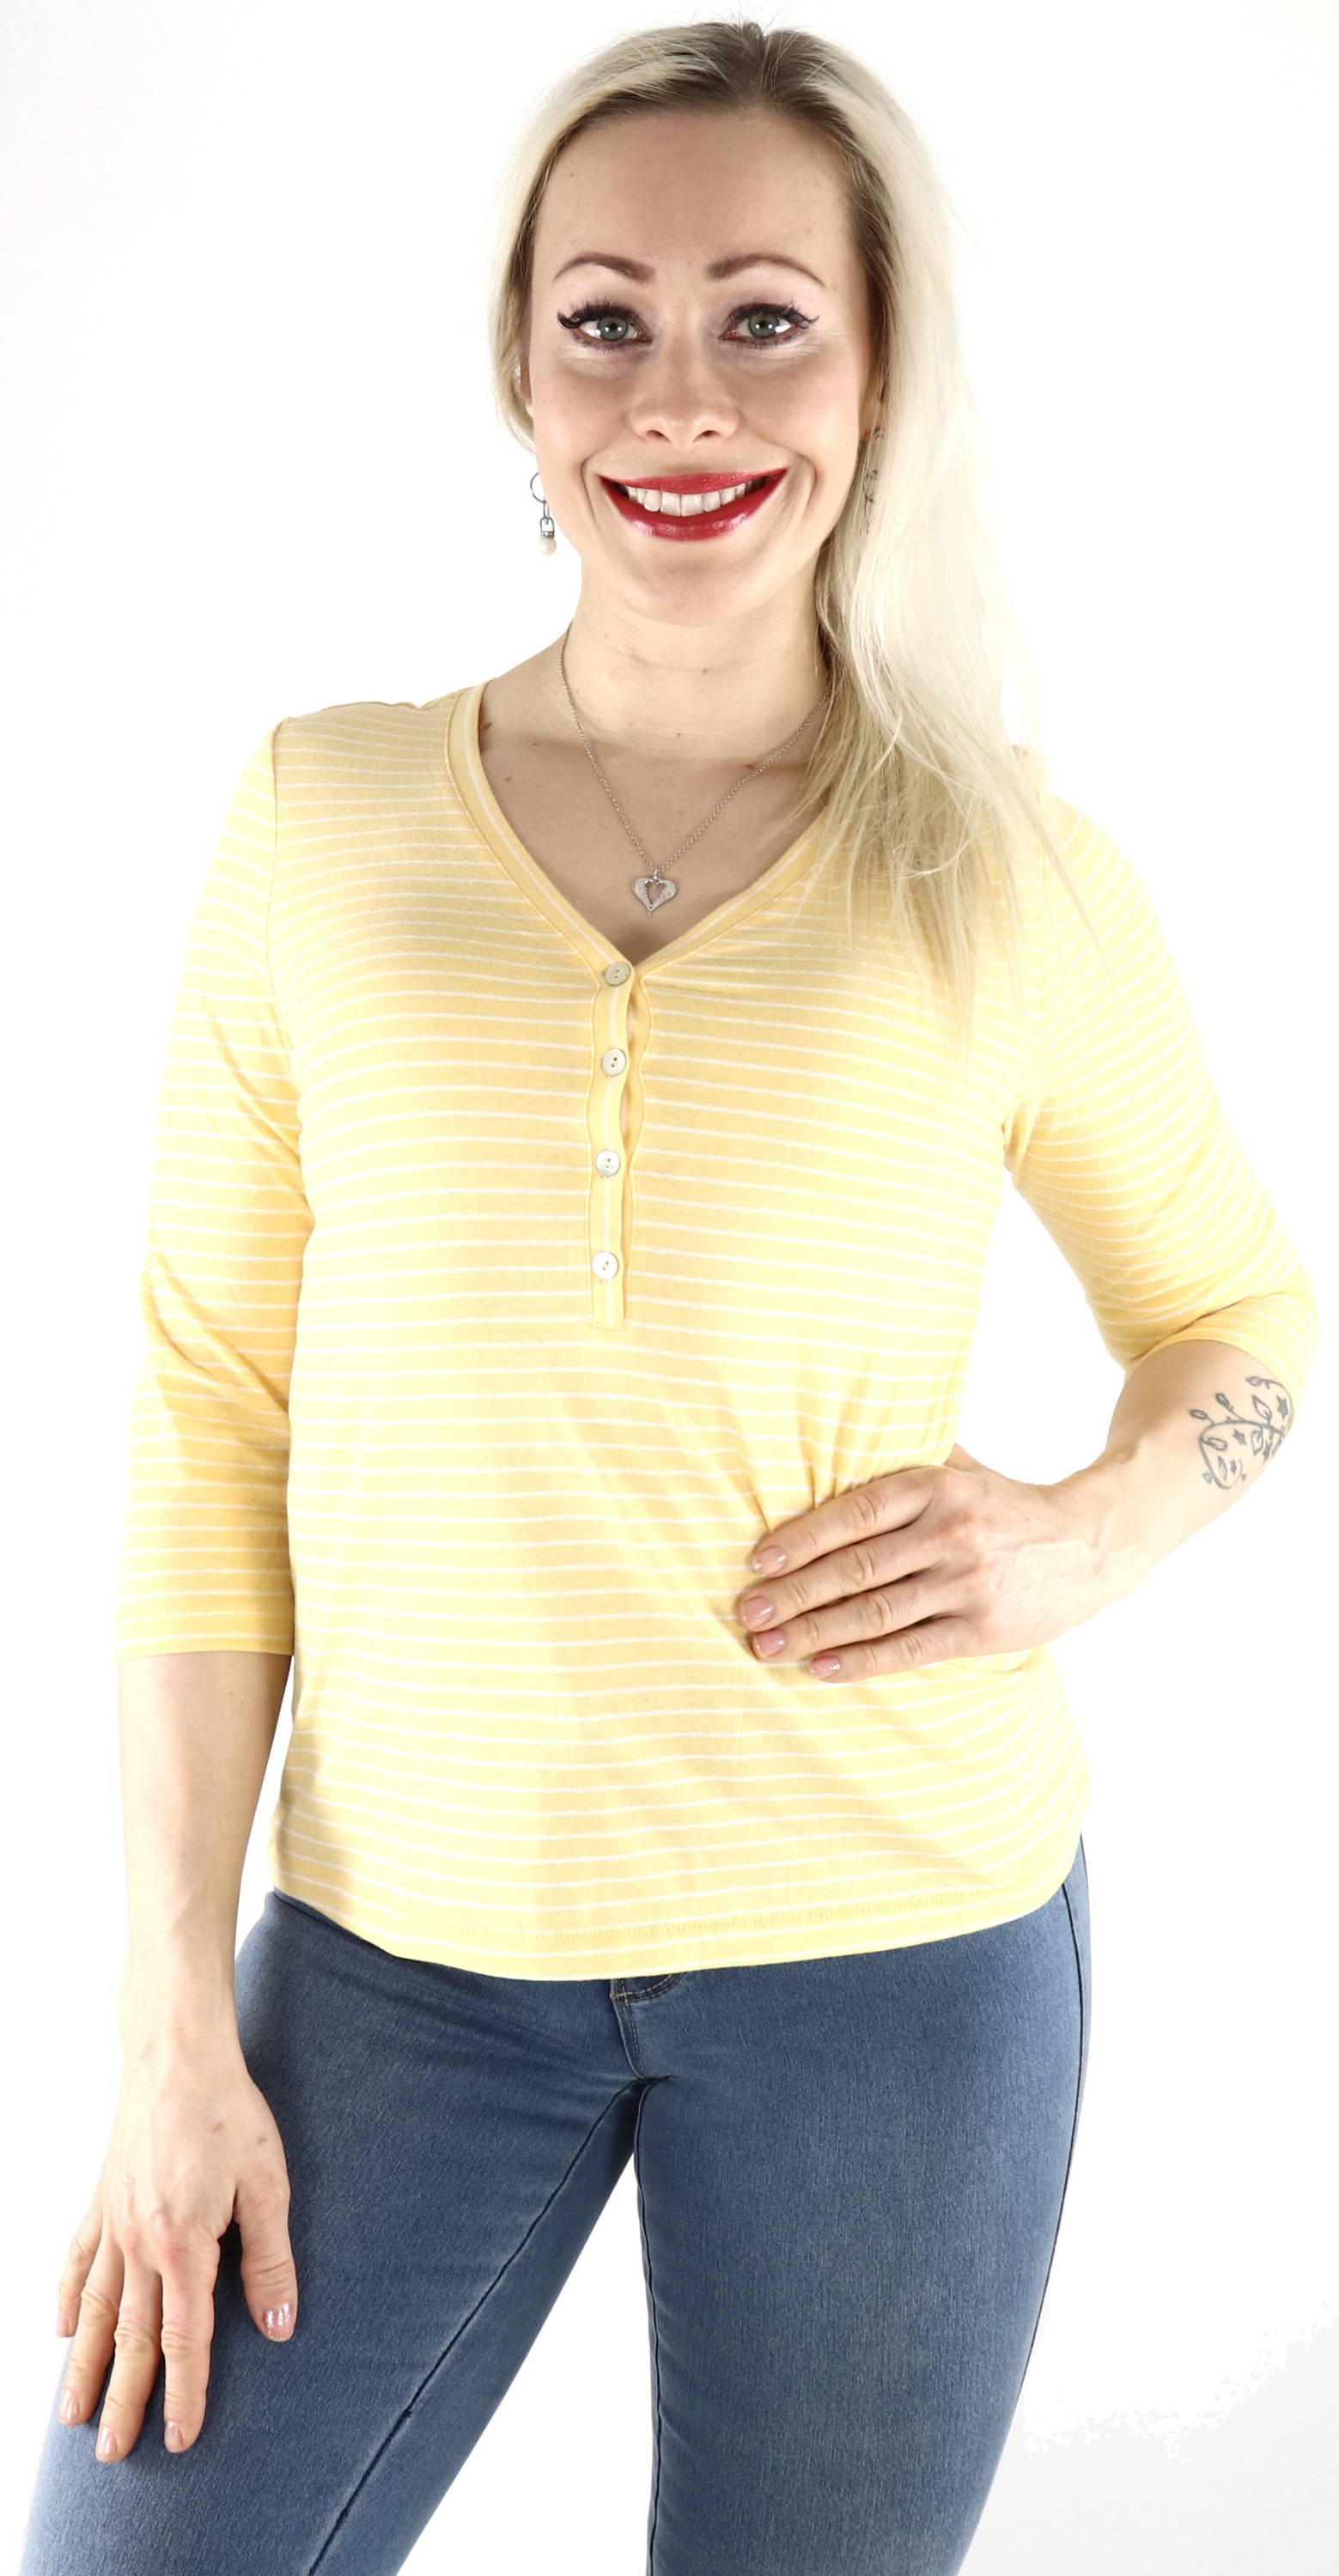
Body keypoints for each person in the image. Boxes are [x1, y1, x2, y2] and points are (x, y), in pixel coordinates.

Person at [20, 18, 1318, 2576]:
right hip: (398, 1959)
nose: (681, 397)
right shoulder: (318, 820)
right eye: (606, 318)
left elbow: (1250, 1316)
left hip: (896, 1952)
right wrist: (170, 2020)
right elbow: (204, 1413)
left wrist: (1085, 1532)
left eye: (767, 320)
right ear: (518, 368)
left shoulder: (1003, 873)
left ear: (879, 370)